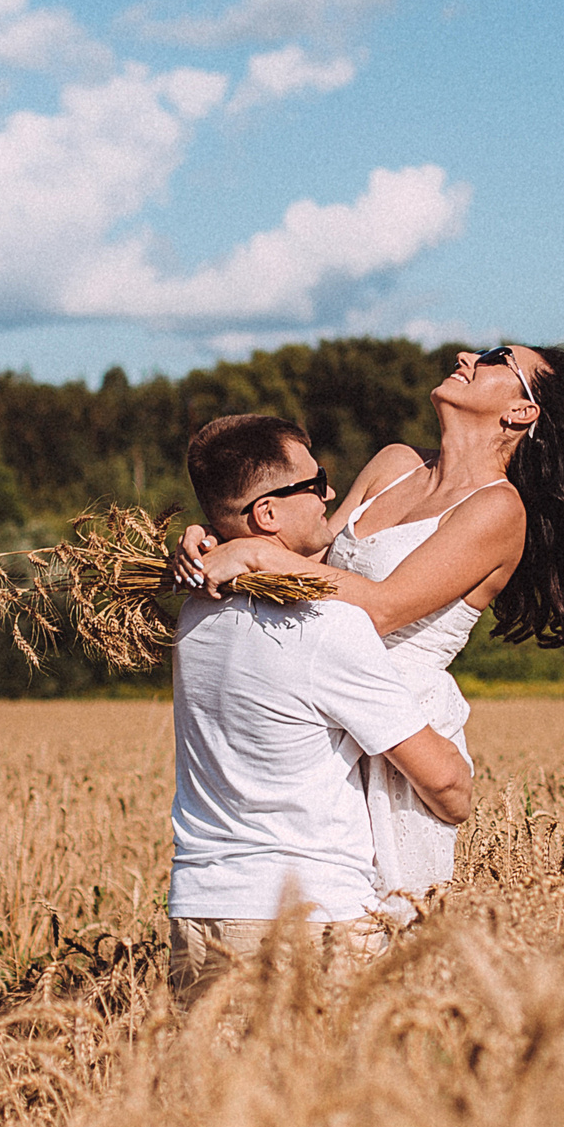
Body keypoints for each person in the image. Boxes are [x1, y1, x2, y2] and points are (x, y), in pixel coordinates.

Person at [175, 344, 564, 902]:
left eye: (498, 357)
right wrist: (218, 537)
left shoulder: (498, 510)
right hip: (323, 713)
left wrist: (256, 557)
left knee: (394, 927)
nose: (467, 354)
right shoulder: (394, 462)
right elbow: (308, 558)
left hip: (405, 729)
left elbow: (382, 608)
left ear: (522, 412)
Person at [166, 413, 474, 1005]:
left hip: (198, 914)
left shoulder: (194, 614)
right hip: (306, 923)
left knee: (213, 1098)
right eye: (316, 482)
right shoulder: (328, 627)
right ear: (268, 515)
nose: (331, 493)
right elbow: (448, 789)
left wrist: (203, 537)